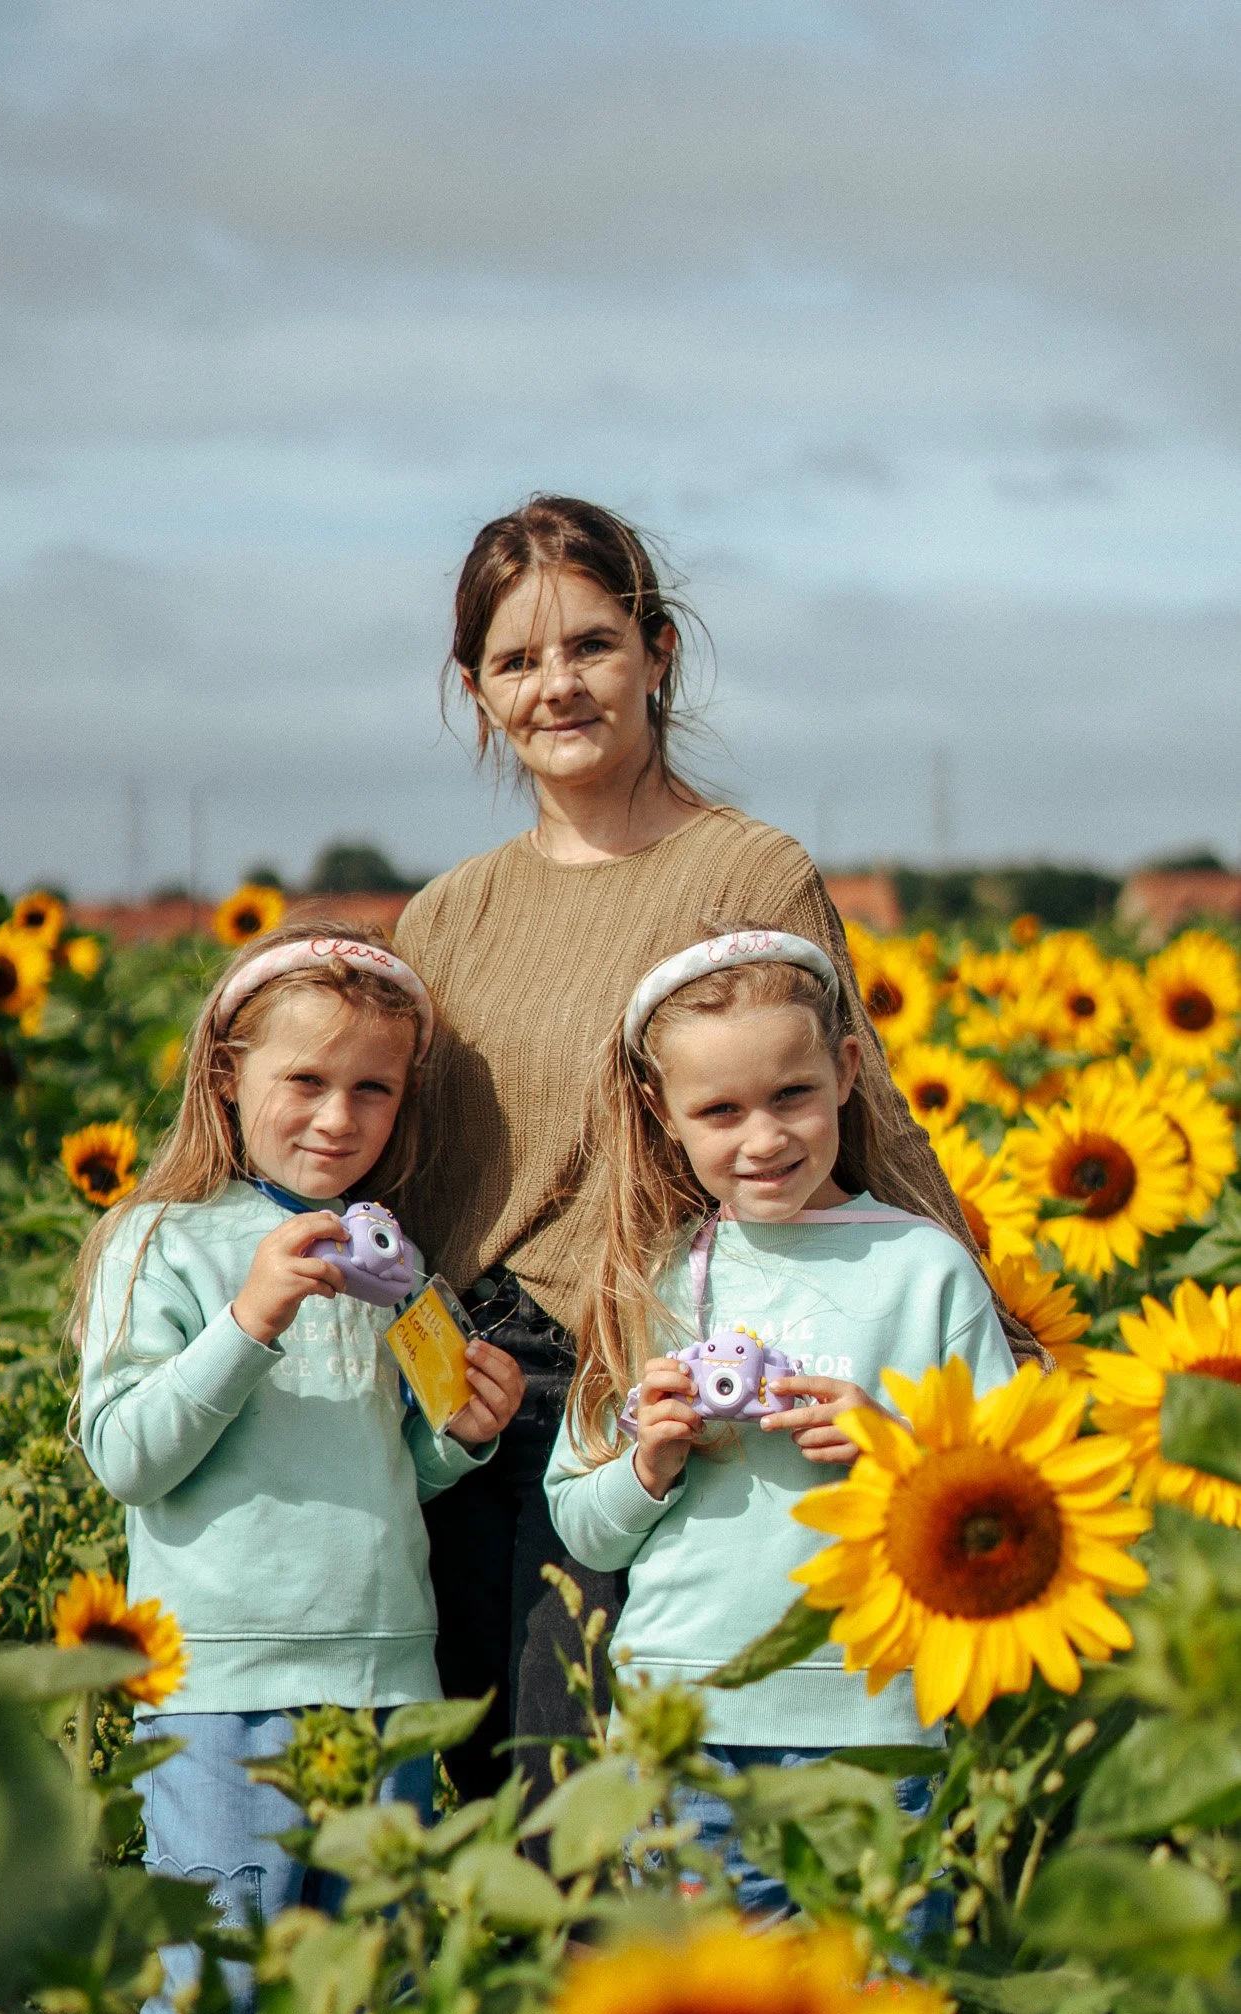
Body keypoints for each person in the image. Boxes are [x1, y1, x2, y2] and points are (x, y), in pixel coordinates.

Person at [393, 494, 1039, 1804]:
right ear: (474, 689)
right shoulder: (446, 914)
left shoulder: (743, 872)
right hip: (455, 1397)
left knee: (574, 1814)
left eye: (589, 645)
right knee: (458, 1793)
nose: (555, 686)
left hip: (628, 1383)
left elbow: (859, 1113)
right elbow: (397, 1178)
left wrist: (998, 1355)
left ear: (658, 651)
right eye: (516, 661)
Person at [73, 920, 523, 2014]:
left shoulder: (393, 1256)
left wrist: (466, 1429)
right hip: (225, 1687)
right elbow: (127, 1455)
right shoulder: (158, 1238)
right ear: (228, 1073)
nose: (338, 1115)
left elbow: (397, 1468)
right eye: (306, 1079)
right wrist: (252, 1316)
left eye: (374, 1087)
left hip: (389, 1680)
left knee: (374, 1992)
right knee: (219, 1989)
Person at [545, 929, 1018, 1914]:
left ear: (846, 1071)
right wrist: (651, 1458)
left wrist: (895, 1445)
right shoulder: (655, 1277)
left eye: (791, 1096)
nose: (762, 1138)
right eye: (720, 1109)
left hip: (874, 1712)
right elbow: (581, 1523)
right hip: (680, 1719)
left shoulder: (921, 1265)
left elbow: (1011, 1491)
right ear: (661, 1113)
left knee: (875, 2001)